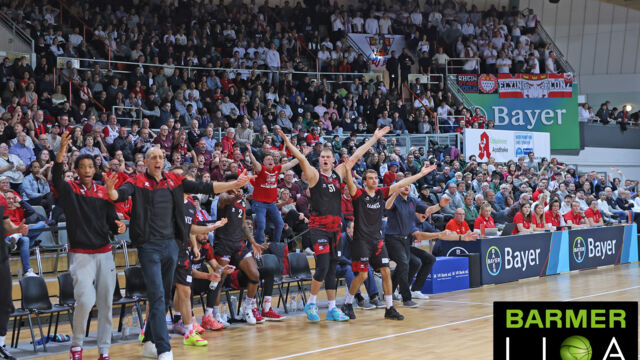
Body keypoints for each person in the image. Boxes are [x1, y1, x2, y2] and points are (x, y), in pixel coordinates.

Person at [106, 147, 252, 360]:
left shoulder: (174, 180)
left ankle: (148, 342)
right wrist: (111, 192)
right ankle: (164, 348)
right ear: (146, 162)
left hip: (171, 246)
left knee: (164, 299)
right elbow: (120, 195)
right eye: (153, 157)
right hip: (148, 247)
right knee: (157, 296)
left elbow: (207, 186)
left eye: (161, 157)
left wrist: (234, 184)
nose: (158, 160)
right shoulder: (137, 181)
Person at [278, 126, 390, 322]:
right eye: (322, 157)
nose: (325, 159)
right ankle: (311, 303)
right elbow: (302, 159)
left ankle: (331, 308)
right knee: (321, 266)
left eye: (328, 157)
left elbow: (356, 154)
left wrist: (374, 138)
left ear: (333, 160)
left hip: (336, 228)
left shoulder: (338, 173)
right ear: (319, 160)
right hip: (318, 227)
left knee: (331, 267)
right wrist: (288, 143)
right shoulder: (314, 175)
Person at [53, 132, 126, 360]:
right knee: (85, 300)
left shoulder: (104, 191)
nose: (86, 170)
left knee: (106, 304)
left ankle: (104, 351)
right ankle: (77, 345)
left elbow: (112, 221)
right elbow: (56, 180)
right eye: (82, 167)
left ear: (94, 170)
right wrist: (61, 152)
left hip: (104, 254)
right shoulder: (70, 191)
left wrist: (119, 227)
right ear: (76, 170)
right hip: (81, 254)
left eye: (90, 167)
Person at [340, 165, 436, 321]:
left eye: (376, 178)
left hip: (377, 241)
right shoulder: (358, 194)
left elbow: (400, 184)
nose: (374, 180)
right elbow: (350, 184)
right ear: (364, 181)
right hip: (362, 241)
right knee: (363, 275)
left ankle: (389, 308)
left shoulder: (380, 193)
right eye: (371, 178)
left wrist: (420, 174)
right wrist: (348, 170)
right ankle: (348, 304)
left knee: (386, 271)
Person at [170, 169, 229, 346]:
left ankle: (188, 330)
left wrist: (213, 227)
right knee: (157, 293)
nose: (189, 186)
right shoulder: (169, 201)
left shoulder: (189, 204)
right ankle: (149, 330)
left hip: (181, 251)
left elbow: (191, 229)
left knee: (185, 291)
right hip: (164, 249)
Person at [213, 173, 271, 324]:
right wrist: (235, 197)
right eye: (232, 183)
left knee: (254, 274)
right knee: (219, 279)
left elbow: (244, 223)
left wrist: (252, 241)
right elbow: (227, 199)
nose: (236, 184)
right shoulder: (223, 197)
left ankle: (246, 309)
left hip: (238, 243)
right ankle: (214, 314)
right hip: (224, 243)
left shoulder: (243, 200)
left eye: (237, 182)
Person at [245, 143, 299, 244]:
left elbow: (291, 163)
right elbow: (255, 163)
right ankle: (258, 246)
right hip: (260, 203)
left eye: (271, 159)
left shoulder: (276, 169)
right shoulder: (261, 169)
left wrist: (302, 155)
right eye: (268, 159)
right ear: (264, 162)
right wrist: (250, 153)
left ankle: (276, 244)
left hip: (272, 204)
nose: (270, 160)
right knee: (261, 225)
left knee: (280, 224)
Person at [0, 195, 28, 360]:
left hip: (1, 257)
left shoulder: (1, 199)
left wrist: (16, 229)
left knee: (4, 302)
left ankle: (1, 344)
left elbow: (5, 223)